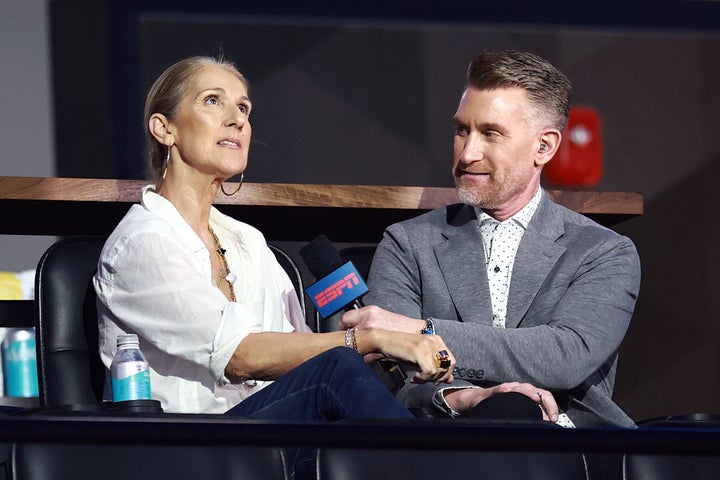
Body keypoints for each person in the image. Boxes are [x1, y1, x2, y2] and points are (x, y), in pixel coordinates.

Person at [93, 55, 459, 480]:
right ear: (164, 128)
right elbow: (243, 356)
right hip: (184, 453)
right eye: (214, 101)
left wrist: (395, 358)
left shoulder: (247, 241)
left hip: (265, 446)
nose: (237, 120)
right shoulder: (143, 243)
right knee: (338, 368)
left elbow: (302, 361)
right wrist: (369, 337)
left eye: (244, 108)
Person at [342, 50, 641, 433]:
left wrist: (423, 332)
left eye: (490, 133)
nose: (467, 153)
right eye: (461, 130)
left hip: (574, 446)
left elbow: (564, 354)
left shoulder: (603, 251)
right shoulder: (408, 244)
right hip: (443, 443)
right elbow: (392, 372)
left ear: (544, 147)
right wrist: (466, 398)